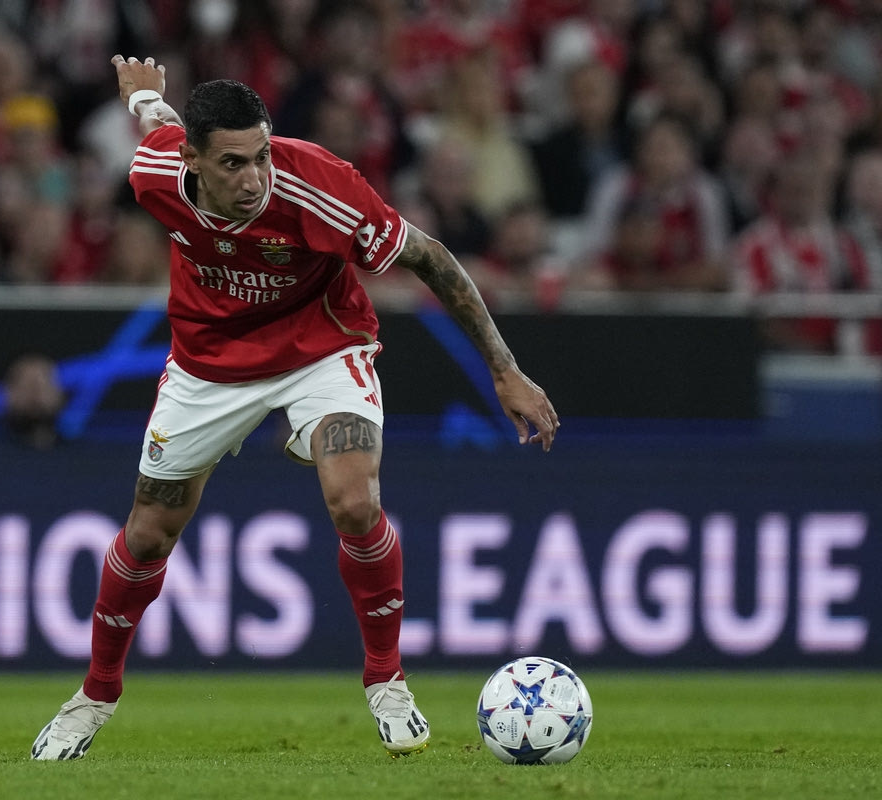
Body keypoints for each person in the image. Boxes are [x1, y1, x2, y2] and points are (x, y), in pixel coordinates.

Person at [30, 54, 559, 762]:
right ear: (193, 161)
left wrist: (505, 369)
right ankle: (94, 696)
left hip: (321, 349)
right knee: (149, 532)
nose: (253, 178)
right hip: (208, 363)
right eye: (232, 164)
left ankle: (386, 680)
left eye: (261, 156)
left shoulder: (320, 187)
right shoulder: (154, 174)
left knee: (355, 501)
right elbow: (158, 124)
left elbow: (432, 258)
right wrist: (145, 97)